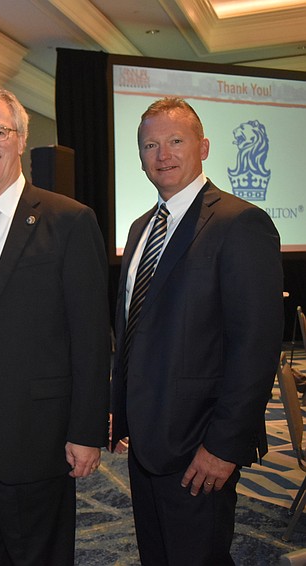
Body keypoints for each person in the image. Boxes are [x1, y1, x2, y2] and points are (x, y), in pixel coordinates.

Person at [0, 88, 111, 565]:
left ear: (20, 139)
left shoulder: (69, 221)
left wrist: (87, 430)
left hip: (38, 435)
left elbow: (92, 337)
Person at [110, 98, 283, 564]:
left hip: (200, 447)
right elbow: (131, 329)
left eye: (175, 141)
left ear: (203, 146)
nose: (162, 154)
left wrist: (224, 446)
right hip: (146, 443)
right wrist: (119, 410)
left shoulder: (240, 223)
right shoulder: (141, 227)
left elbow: (255, 348)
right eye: (150, 145)